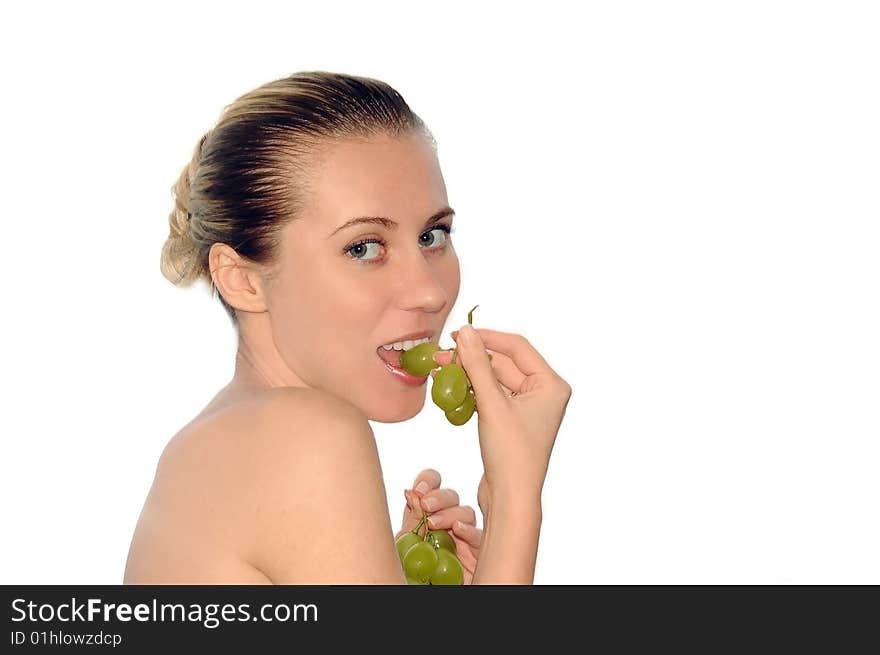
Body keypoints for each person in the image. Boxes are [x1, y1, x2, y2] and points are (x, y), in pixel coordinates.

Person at [123, 71, 572, 584]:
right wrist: (515, 495)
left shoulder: (210, 445)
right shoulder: (306, 436)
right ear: (242, 280)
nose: (430, 291)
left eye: (432, 235)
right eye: (363, 247)